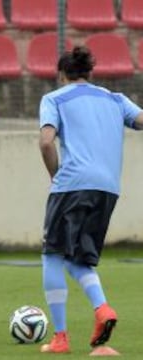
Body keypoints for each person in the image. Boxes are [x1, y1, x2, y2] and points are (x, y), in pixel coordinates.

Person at [38, 46, 143, 353]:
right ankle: (102, 309)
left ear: (61, 75)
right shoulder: (114, 99)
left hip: (71, 185)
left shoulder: (54, 98)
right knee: (78, 257)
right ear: (89, 73)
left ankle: (60, 338)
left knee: (53, 255)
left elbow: (46, 142)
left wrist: (56, 175)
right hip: (107, 188)